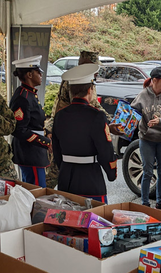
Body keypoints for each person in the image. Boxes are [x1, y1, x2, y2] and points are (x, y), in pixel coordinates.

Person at [44, 51, 118, 189]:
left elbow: (94, 105)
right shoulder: (75, 82)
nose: (97, 70)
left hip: (71, 124)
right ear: (86, 65)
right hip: (68, 127)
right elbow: (80, 108)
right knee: (53, 176)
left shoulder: (86, 81)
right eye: (94, 66)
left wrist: (109, 122)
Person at [130, 66, 161, 212]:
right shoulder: (143, 95)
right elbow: (132, 112)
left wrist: (160, 121)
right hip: (147, 139)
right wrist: (135, 123)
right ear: (154, 81)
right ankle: (145, 204)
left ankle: (160, 202)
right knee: (147, 172)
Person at [9, 55, 51, 188]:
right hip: (29, 151)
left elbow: (35, 122)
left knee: (37, 189)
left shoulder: (30, 94)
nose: (40, 75)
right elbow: (19, 129)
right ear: (29, 75)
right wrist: (45, 142)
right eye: (38, 72)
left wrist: (47, 133)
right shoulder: (23, 97)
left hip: (34, 150)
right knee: (37, 191)